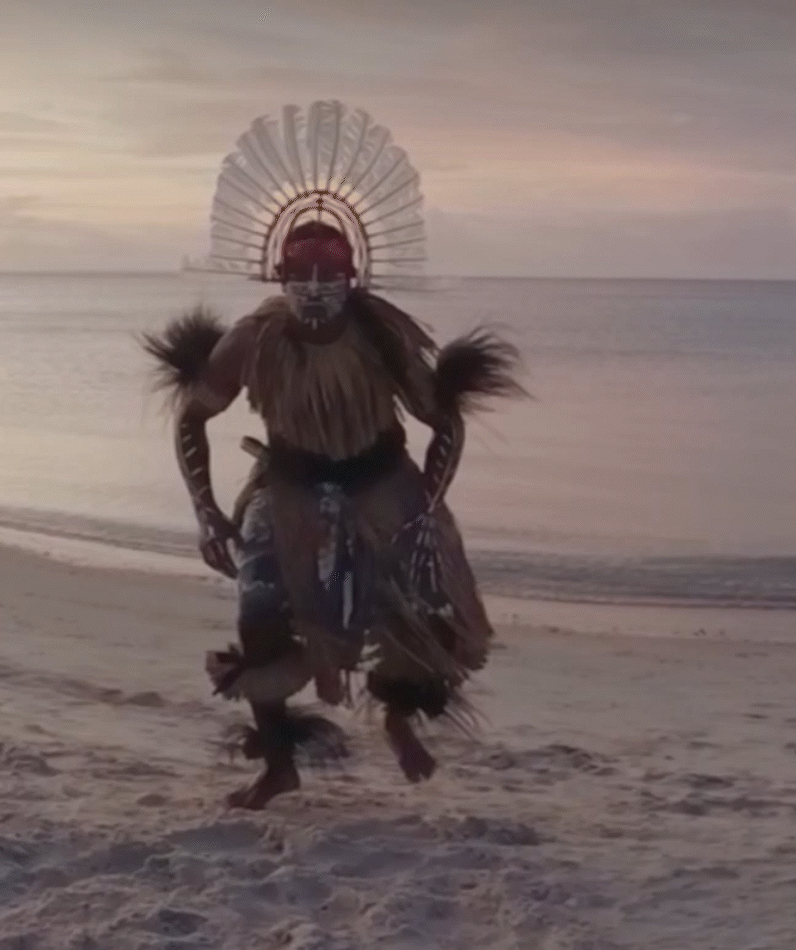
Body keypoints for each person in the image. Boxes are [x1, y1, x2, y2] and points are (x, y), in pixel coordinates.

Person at [140, 100, 526, 809]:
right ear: (278, 274)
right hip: (287, 485)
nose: (315, 291)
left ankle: (400, 714)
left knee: (422, 615)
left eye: (329, 277)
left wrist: (423, 514)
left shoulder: (383, 335)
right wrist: (208, 514)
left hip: (380, 477)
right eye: (301, 277)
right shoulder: (254, 339)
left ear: (353, 276)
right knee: (258, 621)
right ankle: (280, 759)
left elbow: (445, 421)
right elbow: (192, 416)